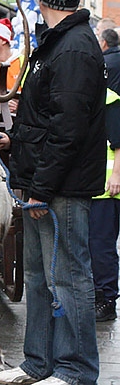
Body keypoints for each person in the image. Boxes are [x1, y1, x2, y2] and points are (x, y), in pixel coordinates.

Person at [0, 0, 105, 383]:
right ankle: (38, 362)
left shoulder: (72, 47)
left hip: (60, 187)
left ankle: (74, 370)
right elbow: (48, 118)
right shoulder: (58, 43)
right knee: (38, 276)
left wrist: (40, 187)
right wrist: (14, 141)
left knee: (69, 277)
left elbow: (68, 127)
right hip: (43, 179)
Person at [88, 28, 120, 322]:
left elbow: (117, 139)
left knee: (101, 245)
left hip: (107, 186)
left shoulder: (109, 97)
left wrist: (116, 176)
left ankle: (106, 299)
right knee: (98, 245)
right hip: (97, 184)